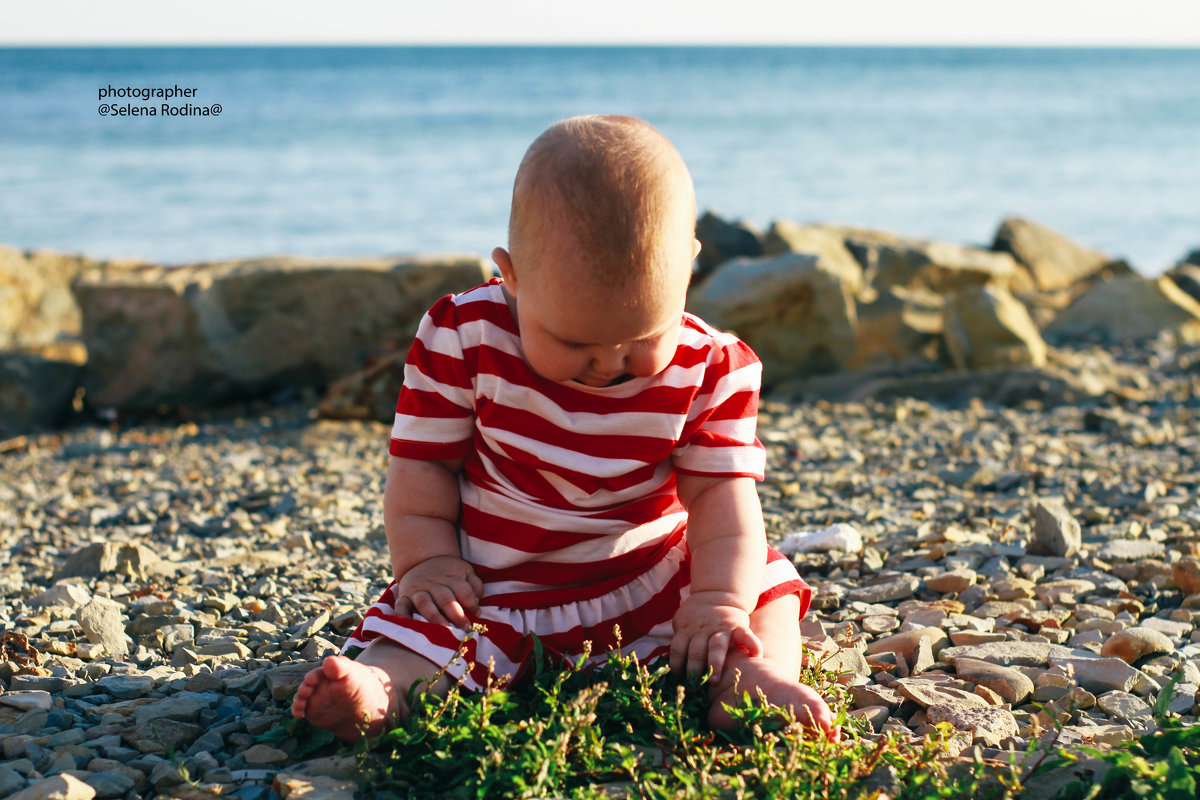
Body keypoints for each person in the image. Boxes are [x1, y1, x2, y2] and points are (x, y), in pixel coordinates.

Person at [291, 114, 838, 744]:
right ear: (511, 275)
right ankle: (382, 689)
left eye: (640, 339)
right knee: (432, 623)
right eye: (575, 341)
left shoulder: (711, 366)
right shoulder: (465, 337)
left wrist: (716, 600)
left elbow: (722, 498)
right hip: (496, 588)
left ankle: (748, 677)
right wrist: (430, 561)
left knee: (762, 583)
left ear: (689, 269)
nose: (608, 363)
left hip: (648, 576)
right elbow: (423, 464)